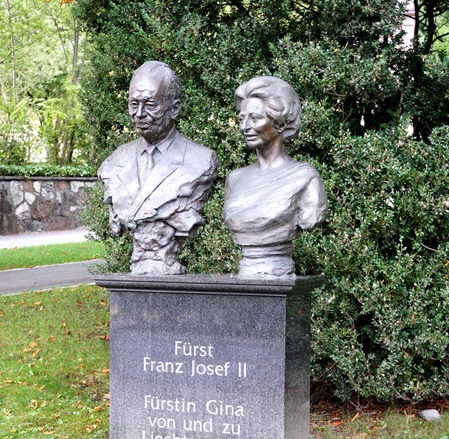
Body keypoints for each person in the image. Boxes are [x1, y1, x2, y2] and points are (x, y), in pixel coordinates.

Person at [98, 61, 218, 275]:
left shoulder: (200, 161)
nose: (140, 114)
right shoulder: (113, 163)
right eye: (134, 104)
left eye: (150, 105)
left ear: (175, 108)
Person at [223, 76, 327, 278]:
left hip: (279, 268)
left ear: (279, 122)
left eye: (255, 118)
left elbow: (310, 217)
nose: (244, 127)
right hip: (248, 268)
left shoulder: (305, 178)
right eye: (242, 118)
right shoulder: (234, 179)